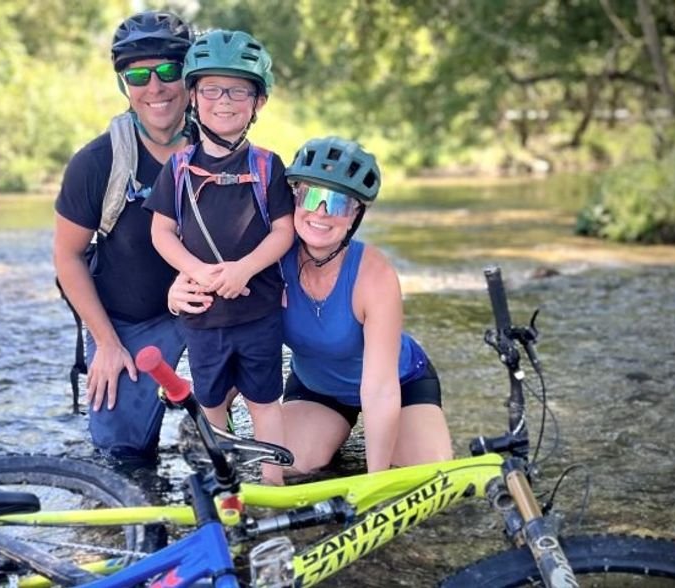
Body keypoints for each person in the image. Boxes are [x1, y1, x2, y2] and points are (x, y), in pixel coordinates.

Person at [169, 137, 453, 474]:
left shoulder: (375, 274)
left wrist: (376, 480)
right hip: (317, 389)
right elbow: (229, 330)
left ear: (355, 216)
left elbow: (379, 389)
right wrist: (174, 295)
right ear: (293, 200)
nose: (321, 213)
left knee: (424, 472)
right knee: (287, 464)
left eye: (338, 203)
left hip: (400, 384)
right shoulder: (268, 255)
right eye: (312, 197)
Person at [143, 30, 294, 484]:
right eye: (210, 89)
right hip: (203, 317)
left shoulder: (267, 165)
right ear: (192, 97)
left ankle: (274, 483)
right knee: (210, 403)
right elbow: (161, 231)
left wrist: (246, 268)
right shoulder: (179, 167)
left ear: (258, 102)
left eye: (238, 90)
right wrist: (196, 270)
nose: (223, 101)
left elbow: (284, 230)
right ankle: (222, 482)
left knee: (265, 402)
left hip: (258, 313)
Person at [52, 11, 194, 461]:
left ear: (189, 77)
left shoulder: (220, 147)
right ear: (123, 85)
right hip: (130, 324)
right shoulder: (96, 162)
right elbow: (68, 258)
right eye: (138, 75)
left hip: (206, 311)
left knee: (223, 451)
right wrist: (108, 345)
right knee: (124, 455)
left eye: (169, 71)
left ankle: (209, 420)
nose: (155, 87)